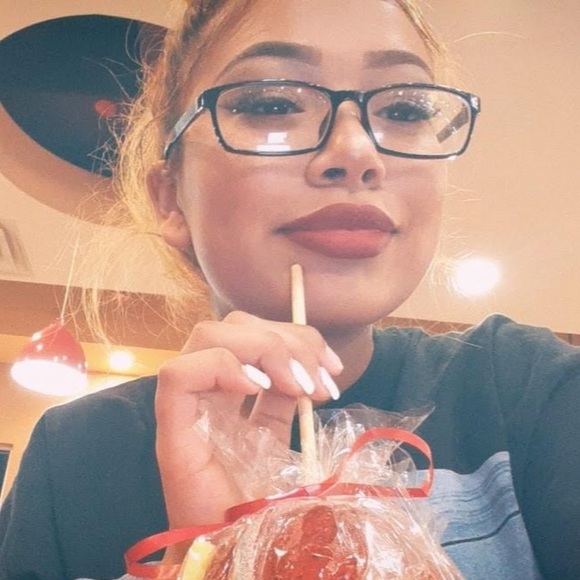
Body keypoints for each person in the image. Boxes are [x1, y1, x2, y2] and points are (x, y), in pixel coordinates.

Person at [1, 0, 579, 578]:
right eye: (271, 103)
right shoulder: (76, 450)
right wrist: (211, 560)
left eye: (405, 109)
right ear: (172, 198)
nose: (356, 152)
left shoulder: (531, 387)